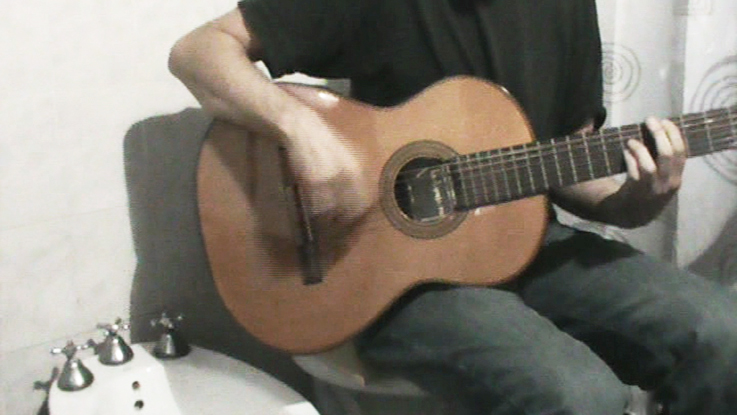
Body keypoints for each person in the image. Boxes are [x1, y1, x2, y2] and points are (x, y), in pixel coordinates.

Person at [168, 1, 737, 414]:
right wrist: (302, 132)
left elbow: (568, 159)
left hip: (529, 242)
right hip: (393, 272)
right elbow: (198, 52)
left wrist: (639, 198)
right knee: (580, 396)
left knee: (722, 331)